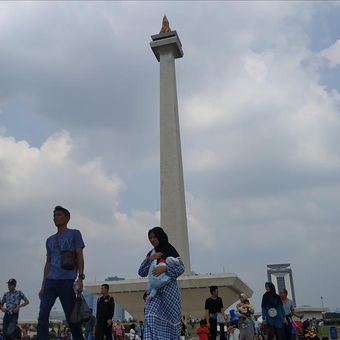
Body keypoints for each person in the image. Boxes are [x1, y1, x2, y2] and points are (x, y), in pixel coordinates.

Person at [37, 206, 85, 340]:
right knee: (42, 314)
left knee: (72, 318)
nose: (55, 217)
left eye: (58, 215)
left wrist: (80, 278)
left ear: (67, 217)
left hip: (67, 281)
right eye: (54, 215)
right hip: (50, 281)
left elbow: (79, 255)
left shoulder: (75, 233)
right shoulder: (49, 240)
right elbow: (48, 263)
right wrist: (43, 285)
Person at [138, 226, 185, 340]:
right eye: (150, 238)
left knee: (171, 322)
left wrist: (165, 269)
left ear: (160, 236)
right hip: (155, 293)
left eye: (154, 237)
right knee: (150, 316)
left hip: (169, 293)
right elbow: (141, 272)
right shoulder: (152, 253)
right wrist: (150, 259)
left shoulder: (170, 250)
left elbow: (181, 268)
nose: (152, 240)